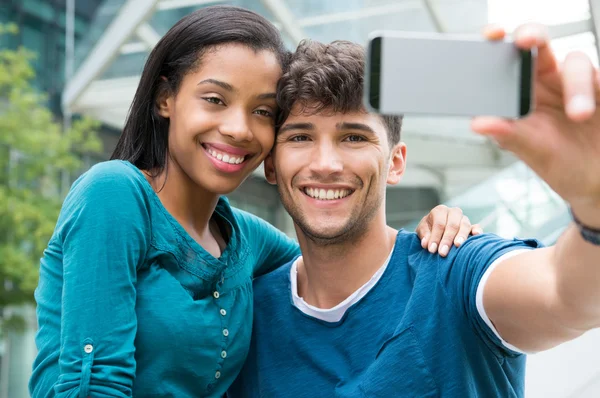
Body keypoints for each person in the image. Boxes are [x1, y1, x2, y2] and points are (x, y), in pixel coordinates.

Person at [28, 5, 477, 398]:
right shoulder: (114, 194)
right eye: (214, 99)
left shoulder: (246, 240)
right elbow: (97, 383)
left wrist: (436, 226)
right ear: (166, 98)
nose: (239, 129)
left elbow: (348, 259)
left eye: (262, 111)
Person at [228, 24, 600, 398]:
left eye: (354, 137)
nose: (326, 164)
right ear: (271, 165)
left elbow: (566, 295)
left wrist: (593, 202)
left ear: (395, 163)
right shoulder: (245, 314)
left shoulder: (454, 274)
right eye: (300, 137)